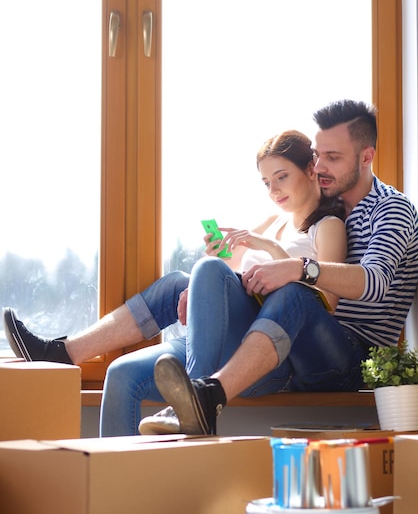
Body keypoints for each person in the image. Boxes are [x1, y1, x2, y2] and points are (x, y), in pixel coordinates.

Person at [3, 129, 347, 436]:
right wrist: (211, 271)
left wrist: (269, 250)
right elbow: (228, 272)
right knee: (123, 370)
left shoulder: (327, 226)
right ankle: (63, 353)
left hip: (269, 353)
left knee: (207, 270)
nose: (273, 190)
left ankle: (194, 398)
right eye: (266, 182)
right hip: (228, 337)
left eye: (282, 177)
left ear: (310, 169)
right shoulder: (274, 220)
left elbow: (326, 302)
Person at [150, 99, 418, 436]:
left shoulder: (391, 209)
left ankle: (206, 395)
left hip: (350, 359)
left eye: (333, 158)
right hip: (295, 349)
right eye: (319, 155)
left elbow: (375, 281)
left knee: (295, 291)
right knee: (188, 281)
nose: (319, 167)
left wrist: (301, 268)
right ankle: (190, 392)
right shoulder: (325, 207)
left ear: (366, 157)